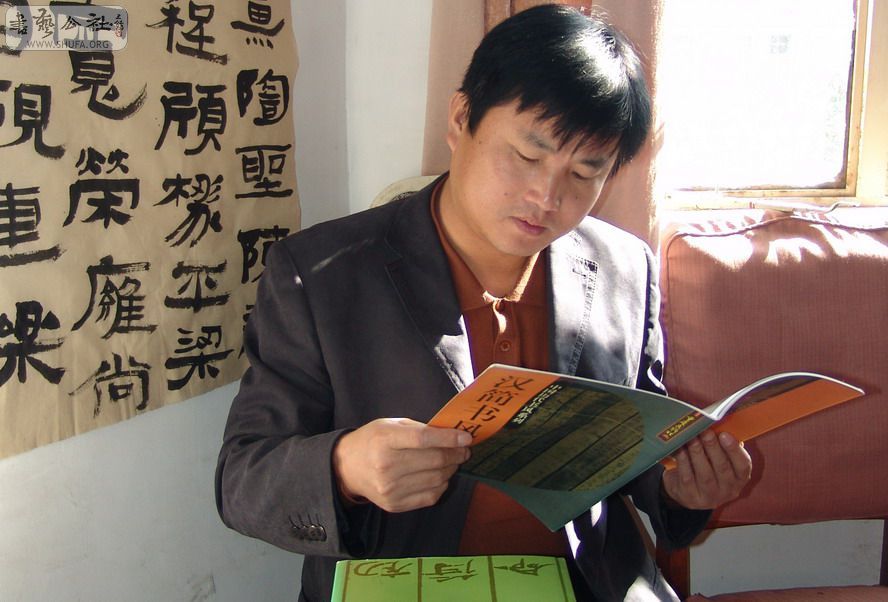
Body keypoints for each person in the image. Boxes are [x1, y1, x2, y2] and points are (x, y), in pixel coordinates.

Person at [215, 5, 752, 601]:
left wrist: (683, 486)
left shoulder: (626, 267)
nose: (546, 196)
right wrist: (344, 467)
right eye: (527, 155)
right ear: (460, 119)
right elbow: (242, 480)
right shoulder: (321, 274)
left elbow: (637, 447)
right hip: (404, 585)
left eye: (584, 172)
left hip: (588, 584)